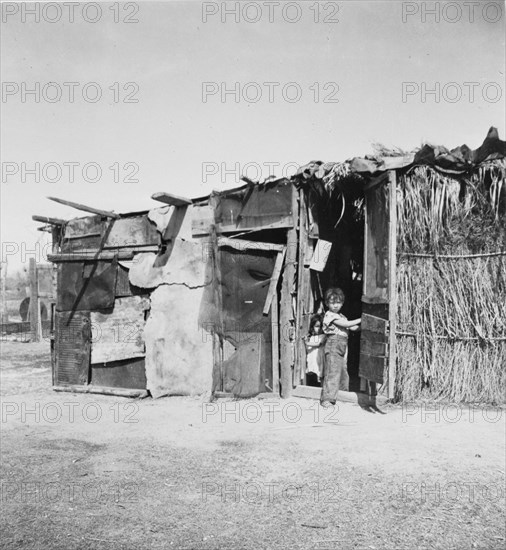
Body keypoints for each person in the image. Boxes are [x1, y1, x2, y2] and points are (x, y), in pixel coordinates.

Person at [320, 287, 361, 407]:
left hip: (342, 344)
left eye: (338, 302)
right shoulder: (329, 315)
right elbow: (347, 324)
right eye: (332, 303)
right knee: (332, 371)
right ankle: (327, 399)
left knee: (343, 370)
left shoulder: (341, 316)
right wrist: (361, 318)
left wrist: (366, 326)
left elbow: (352, 328)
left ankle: (343, 394)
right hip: (333, 343)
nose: (335, 306)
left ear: (342, 303)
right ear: (327, 303)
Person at [304, 314, 326, 387]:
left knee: (319, 372)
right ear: (312, 327)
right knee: (312, 371)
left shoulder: (323, 336)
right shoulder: (311, 337)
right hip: (312, 357)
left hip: (319, 357)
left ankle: (321, 387)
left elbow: (318, 344)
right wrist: (307, 341)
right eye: (317, 326)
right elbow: (308, 348)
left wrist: (307, 343)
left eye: (321, 326)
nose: (319, 328)